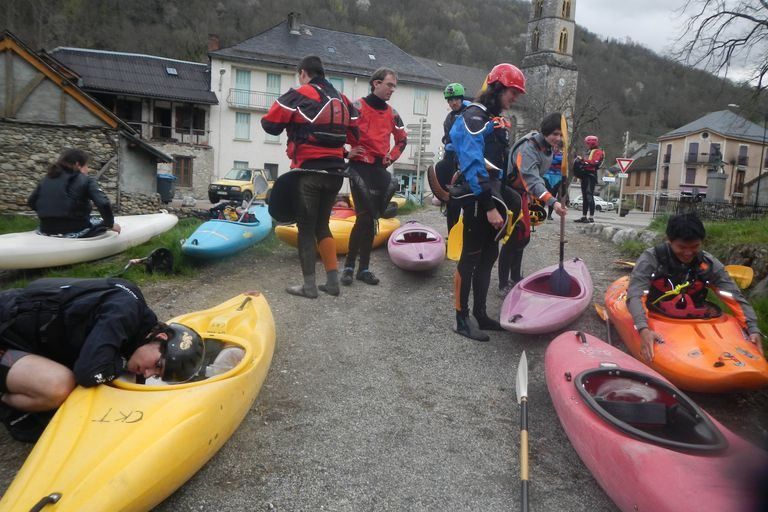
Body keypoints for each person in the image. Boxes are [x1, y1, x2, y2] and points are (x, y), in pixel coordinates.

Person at [0, 277, 204, 442]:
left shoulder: (140, 322)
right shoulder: (123, 312)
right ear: (160, 337)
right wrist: (119, 364)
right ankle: (6, 403)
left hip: (30, 332)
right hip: (7, 331)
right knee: (58, 386)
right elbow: (88, 373)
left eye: (157, 375)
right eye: (157, 365)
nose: (148, 372)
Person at [262, 55, 359, 298]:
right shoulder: (342, 99)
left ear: (304, 73)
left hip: (309, 173)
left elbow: (270, 124)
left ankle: (309, 287)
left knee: (305, 229)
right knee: (322, 225)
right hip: (336, 173)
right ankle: (333, 282)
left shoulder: (300, 93)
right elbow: (356, 130)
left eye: (299, 75)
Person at [448, 63, 526, 341]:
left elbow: (494, 160)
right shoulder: (474, 116)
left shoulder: (492, 118)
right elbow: (470, 159)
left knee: (488, 257)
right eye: (512, 92)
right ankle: (461, 319)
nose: (514, 98)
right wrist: (490, 207)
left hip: (494, 193)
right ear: (496, 89)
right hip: (478, 198)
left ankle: (480, 314)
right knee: (469, 258)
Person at [627, 213, 764, 363]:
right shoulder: (651, 259)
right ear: (669, 241)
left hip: (692, 314)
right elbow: (636, 294)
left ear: (701, 242)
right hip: (656, 311)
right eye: (682, 247)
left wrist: (752, 327)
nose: (688, 253)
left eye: (695, 247)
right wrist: (643, 328)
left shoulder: (707, 264)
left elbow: (734, 296)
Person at [341, 67, 407, 286]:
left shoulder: (393, 113)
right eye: (389, 85)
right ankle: (350, 267)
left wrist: (392, 157)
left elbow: (402, 140)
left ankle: (364, 269)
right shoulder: (356, 107)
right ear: (376, 84)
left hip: (379, 170)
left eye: (394, 86)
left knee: (372, 220)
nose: (392, 90)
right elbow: (336, 129)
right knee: (363, 217)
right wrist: (345, 152)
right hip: (359, 168)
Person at [498, 113, 567, 297]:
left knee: (524, 236)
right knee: (514, 237)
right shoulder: (529, 148)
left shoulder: (548, 148)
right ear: (545, 132)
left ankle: (515, 278)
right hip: (509, 192)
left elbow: (537, 176)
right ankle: (503, 284)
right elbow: (531, 179)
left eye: (560, 135)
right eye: (554, 134)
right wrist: (552, 201)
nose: (558, 138)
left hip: (523, 192)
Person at [27, 149, 121, 237]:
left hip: (45, 229)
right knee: (99, 222)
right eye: (86, 166)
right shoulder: (86, 180)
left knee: (93, 219)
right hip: (75, 230)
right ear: (78, 164)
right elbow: (103, 203)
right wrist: (110, 224)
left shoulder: (47, 178)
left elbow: (31, 202)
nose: (88, 170)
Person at [435, 83, 471, 232]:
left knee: (468, 200)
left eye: (455, 99)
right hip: (453, 156)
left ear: (461, 98)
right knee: (441, 167)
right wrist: (448, 144)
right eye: (450, 100)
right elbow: (446, 138)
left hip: (468, 157)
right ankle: (447, 199)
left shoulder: (470, 113)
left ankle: (469, 233)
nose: (453, 103)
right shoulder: (449, 118)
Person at [573, 135, 604, 223]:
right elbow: (586, 162)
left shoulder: (598, 151)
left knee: (589, 194)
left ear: (591, 143)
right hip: (585, 174)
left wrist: (583, 160)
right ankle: (583, 216)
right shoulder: (589, 151)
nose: (586, 145)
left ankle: (591, 217)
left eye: (587, 143)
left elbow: (595, 163)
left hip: (591, 175)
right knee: (584, 196)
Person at [544, 149, 563, 220]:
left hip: (557, 176)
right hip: (547, 175)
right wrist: (555, 160)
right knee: (544, 193)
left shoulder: (562, 154)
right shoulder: (546, 152)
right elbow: (546, 161)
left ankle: (549, 215)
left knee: (553, 195)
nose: (555, 147)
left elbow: (562, 162)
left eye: (557, 146)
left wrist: (554, 160)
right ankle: (541, 212)